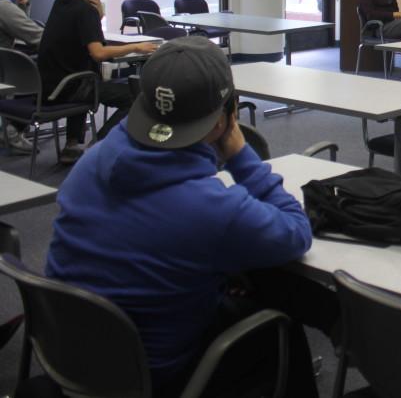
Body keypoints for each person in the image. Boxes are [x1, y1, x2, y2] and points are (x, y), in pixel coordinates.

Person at [45, 37, 326, 396]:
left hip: (71, 357)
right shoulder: (213, 210)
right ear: (227, 115)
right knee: (277, 320)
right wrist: (240, 153)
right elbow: (295, 232)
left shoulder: (92, 162)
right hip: (153, 376)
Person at [38, 0, 159, 164]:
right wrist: (136, 46)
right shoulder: (85, 11)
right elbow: (98, 53)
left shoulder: (61, 1)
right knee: (136, 98)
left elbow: (79, 37)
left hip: (47, 85)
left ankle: (71, 146)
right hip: (70, 87)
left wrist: (98, 17)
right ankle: (97, 147)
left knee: (87, 76)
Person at [0, 0, 43, 154]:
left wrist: (23, 5)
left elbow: (20, 29)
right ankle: (11, 129)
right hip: (3, 73)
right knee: (43, 73)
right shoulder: (3, 6)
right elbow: (35, 36)